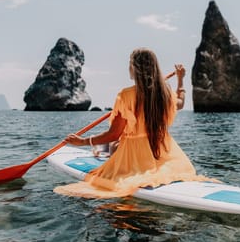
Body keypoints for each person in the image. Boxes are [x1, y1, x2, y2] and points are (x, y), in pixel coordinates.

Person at [54, 48, 214, 198]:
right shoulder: (164, 93)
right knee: (116, 144)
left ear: (134, 68)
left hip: (134, 155)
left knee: (116, 144)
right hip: (165, 153)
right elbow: (180, 103)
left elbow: (113, 134)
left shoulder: (125, 95)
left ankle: (100, 149)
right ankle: (102, 149)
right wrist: (180, 80)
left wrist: (82, 142)